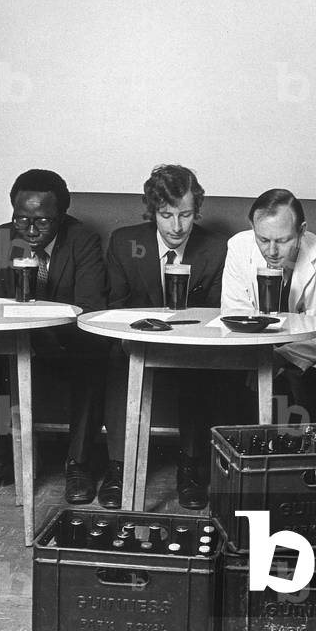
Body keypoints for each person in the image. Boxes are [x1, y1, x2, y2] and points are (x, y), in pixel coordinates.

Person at [0, 169, 109, 504]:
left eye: (43, 222)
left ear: (61, 216)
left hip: (66, 343)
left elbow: (90, 306)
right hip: (14, 341)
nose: (31, 231)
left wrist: (42, 326)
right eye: (22, 219)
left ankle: (78, 463)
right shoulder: (2, 238)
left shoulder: (82, 239)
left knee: (94, 357)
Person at [102, 165, 228, 509]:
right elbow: (116, 305)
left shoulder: (216, 248)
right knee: (118, 360)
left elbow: (215, 314)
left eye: (186, 214)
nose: (176, 226)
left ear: (196, 210)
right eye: (166, 215)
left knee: (199, 369)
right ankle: (118, 467)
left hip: (192, 344)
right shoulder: (126, 242)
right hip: (137, 341)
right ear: (152, 211)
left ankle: (190, 468)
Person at [221, 188, 316, 422]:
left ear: (301, 230)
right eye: (263, 240)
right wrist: (263, 359)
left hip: (311, 357)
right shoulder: (238, 247)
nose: (271, 251)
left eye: (282, 241)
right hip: (254, 355)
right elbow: (234, 317)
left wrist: (282, 357)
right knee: (230, 384)